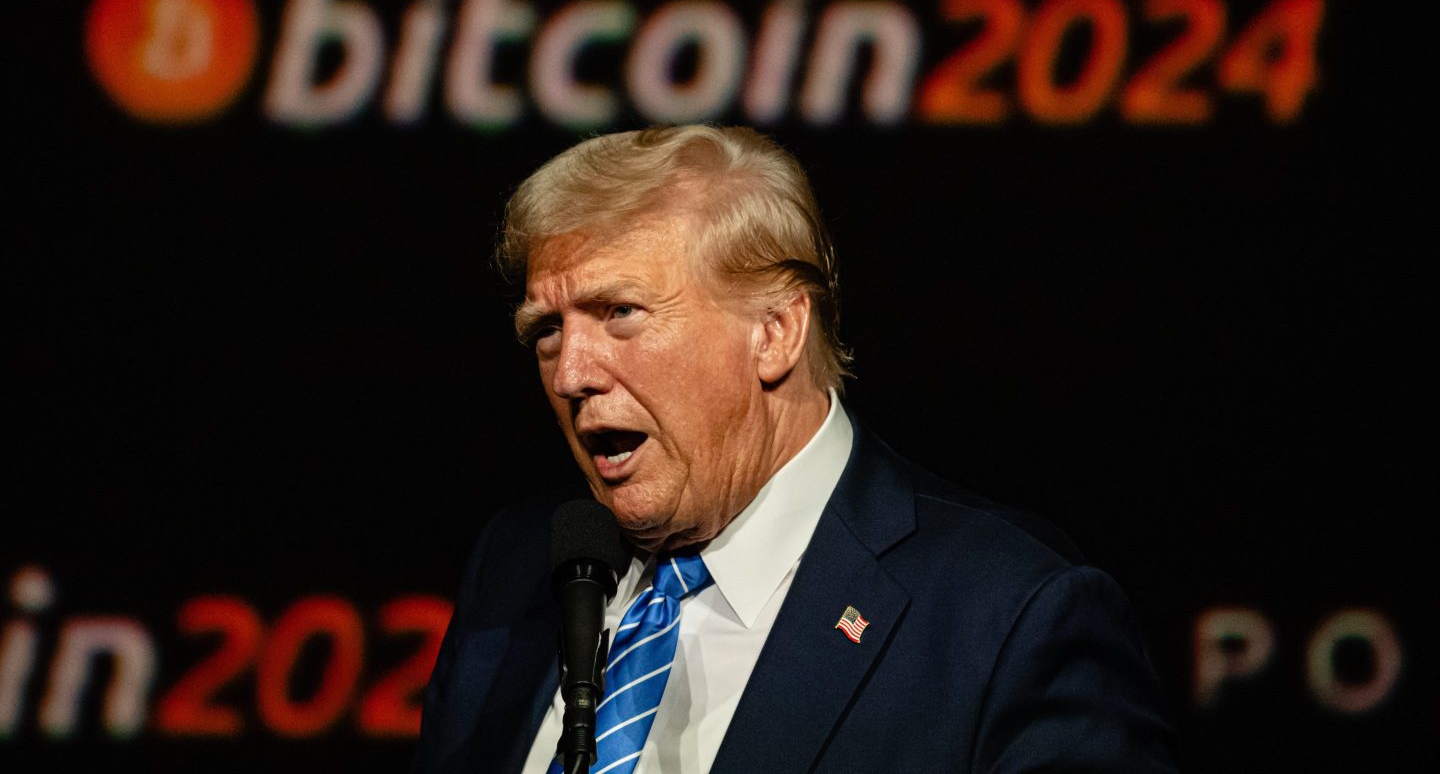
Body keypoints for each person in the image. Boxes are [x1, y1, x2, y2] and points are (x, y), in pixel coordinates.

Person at [412, 124, 1177, 774]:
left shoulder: (1007, 617)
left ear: (775, 331)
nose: (572, 374)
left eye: (620, 312)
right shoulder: (519, 566)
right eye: (547, 330)